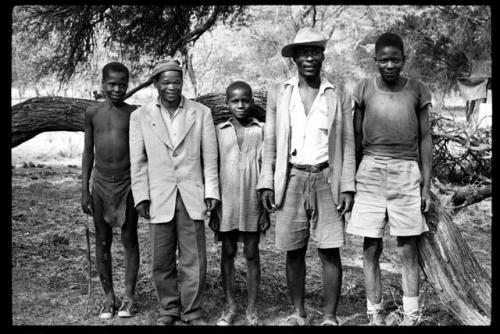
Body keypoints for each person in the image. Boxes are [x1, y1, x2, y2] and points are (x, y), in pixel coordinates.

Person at [256, 27, 356, 326]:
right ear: (295, 59)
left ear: (323, 56)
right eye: (303, 53)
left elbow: (348, 143)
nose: (309, 58)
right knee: (294, 250)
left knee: (329, 250)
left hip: (327, 178)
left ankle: (329, 316)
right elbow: (270, 142)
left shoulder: (337, 94)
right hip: (292, 178)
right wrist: (266, 182)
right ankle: (298, 313)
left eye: (315, 52)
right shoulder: (280, 92)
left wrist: (347, 186)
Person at [346, 32, 432, 326]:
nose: (390, 65)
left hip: (407, 171)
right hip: (370, 171)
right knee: (371, 247)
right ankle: (375, 314)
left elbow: (425, 138)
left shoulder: (417, 89)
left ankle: (411, 316)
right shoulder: (364, 88)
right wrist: (352, 180)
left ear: (404, 60)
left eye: (396, 59)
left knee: (408, 248)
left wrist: (426, 185)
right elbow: (356, 137)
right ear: (376, 61)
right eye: (384, 60)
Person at [129, 58, 220, 326]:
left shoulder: (201, 112)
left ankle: (192, 311)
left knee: (194, 258)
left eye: (176, 81)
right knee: (161, 257)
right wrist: (141, 196)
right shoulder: (140, 116)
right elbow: (138, 161)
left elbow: (210, 158)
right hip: (159, 195)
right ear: (156, 84)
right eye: (166, 82)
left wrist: (211, 191)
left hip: (192, 194)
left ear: (182, 82)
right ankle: (168, 309)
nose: (172, 87)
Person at [81, 62, 139, 319]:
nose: (117, 89)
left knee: (129, 240)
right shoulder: (92, 113)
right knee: (102, 240)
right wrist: (84, 189)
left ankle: (128, 298)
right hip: (101, 184)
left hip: (128, 183)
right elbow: (87, 152)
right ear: (103, 84)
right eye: (112, 84)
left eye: (123, 84)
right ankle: (108, 298)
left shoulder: (134, 113)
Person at [210, 81, 270, 326]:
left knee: (251, 253)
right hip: (226, 201)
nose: (241, 105)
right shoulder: (218, 130)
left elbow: (267, 167)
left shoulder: (262, 129)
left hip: (253, 201)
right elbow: (211, 167)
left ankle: (252, 309)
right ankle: (230, 305)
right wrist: (212, 204)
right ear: (227, 103)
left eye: (245, 100)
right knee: (228, 252)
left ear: (252, 102)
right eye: (235, 101)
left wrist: (265, 209)